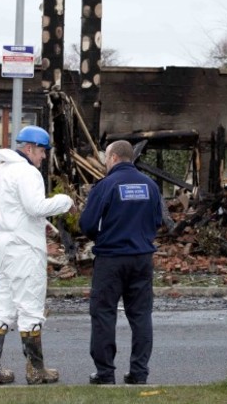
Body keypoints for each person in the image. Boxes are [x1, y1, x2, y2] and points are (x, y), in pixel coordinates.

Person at [0, 125, 74, 385]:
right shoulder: (28, 173)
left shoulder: (0, 171)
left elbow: (14, 209)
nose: (44, 157)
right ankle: (36, 370)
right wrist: (64, 201)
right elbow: (35, 207)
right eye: (42, 151)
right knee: (31, 307)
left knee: (1, 307)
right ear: (29, 148)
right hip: (22, 248)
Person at [79, 140, 163, 385]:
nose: (105, 162)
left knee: (104, 314)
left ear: (114, 157)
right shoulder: (150, 186)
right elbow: (158, 220)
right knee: (141, 315)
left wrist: (103, 237)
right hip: (141, 259)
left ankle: (105, 374)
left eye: (106, 157)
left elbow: (87, 224)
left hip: (111, 259)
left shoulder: (106, 186)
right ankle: (139, 372)